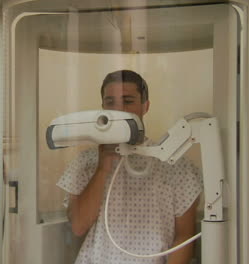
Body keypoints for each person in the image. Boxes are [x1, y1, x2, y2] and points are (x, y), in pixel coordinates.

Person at [56, 70, 203, 264]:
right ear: (102, 108)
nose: (119, 109)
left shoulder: (174, 164)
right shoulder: (86, 162)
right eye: (111, 102)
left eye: (128, 101)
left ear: (145, 106)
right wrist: (102, 169)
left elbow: (184, 237)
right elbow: (78, 226)